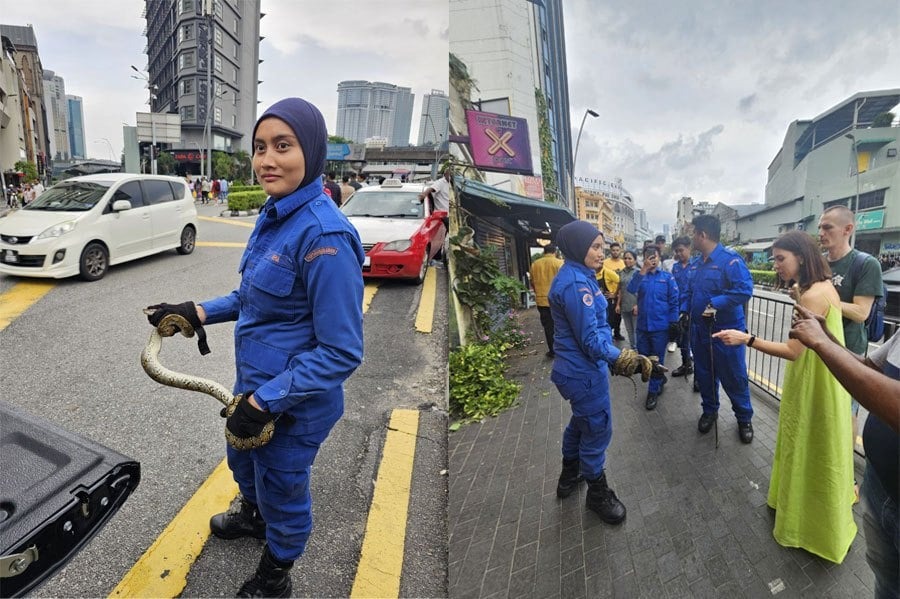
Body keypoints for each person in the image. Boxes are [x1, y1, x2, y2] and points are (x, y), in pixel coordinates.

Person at [144, 97, 365, 598]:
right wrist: (194, 312)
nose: (267, 160)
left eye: (282, 146)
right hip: (255, 386)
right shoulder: (277, 215)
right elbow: (252, 296)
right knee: (242, 461)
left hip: (293, 403)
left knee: (283, 485)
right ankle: (254, 515)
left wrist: (266, 402)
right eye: (261, 147)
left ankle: (276, 572)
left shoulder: (325, 236)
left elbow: (342, 352)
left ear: (310, 150)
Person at [714, 231, 856, 563]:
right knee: (818, 446)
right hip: (823, 378)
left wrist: (746, 338)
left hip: (812, 381)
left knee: (807, 444)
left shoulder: (813, 295)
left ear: (802, 258)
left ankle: (807, 524)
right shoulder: (823, 288)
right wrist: (796, 295)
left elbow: (793, 352)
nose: (775, 265)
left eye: (780, 259)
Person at [548, 220, 663, 524]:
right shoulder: (575, 284)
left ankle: (568, 476)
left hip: (577, 371)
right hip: (583, 373)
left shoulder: (581, 276)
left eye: (602, 246)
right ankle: (597, 494)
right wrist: (628, 359)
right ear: (577, 247)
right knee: (597, 429)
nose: (602, 253)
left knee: (581, 423)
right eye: (596, 247)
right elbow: (590, 340)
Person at [791, 306, 899, 598]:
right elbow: (870, 367)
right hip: (881, 486)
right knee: (887, 579)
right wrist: (828, 338)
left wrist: (823, 344)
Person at [684, 214, 755, 443]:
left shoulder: (730, 261)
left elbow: (744, 290)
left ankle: (744, 418)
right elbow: (689, 292)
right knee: (705, 374)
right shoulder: (696, 264)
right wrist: (684, 312)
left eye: (693, 233)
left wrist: (715, 303)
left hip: (726, 332)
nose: (691, 237)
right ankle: (710, 410)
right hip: (699, 332)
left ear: (702, 235)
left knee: (734, 377)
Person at [817, 205, 884, 449]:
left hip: (849, 351)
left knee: (847, 411)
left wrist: (826, 299)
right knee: (821, 408)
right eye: (820, 228)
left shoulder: (865, 264)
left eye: (827, 227)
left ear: (848, 229)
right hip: (819, 346)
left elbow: (860, 312)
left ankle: (846, 471)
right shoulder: (820, 263)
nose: (821, 233)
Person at [627, 246, 679, 410]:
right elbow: (631, 289)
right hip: (642, 326)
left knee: (656, 360)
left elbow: (674, 301)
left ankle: (653, 391)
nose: (652, 259)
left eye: (655, 256)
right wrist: (642, 270)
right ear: (643, 259)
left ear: (659, 258)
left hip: (660, 327)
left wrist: (673, 322)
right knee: (645, 359)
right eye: (648, 256)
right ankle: (660, 379)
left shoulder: (667, 278)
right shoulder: (639, 276)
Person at [529, 244, 564, 357]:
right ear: (554, 251)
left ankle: (552, 351)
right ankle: (563, 349)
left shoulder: (535, 264)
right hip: (557, 301)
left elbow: (532, 282)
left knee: (548, 327)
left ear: (544, 252)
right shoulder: (560, 263)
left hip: (542, 300)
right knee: (560, 325)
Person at [670, 236, 696, 383]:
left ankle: (698, 373)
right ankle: (686, 365)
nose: (679, 254)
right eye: (677, 251)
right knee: (683, 339)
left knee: (696, 341)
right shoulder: (676, 267)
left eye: (681, 250)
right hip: (680, 309)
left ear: (689, 248)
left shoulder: (697, 265)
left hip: (694, 309)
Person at [615, 250, 639, 350]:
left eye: (630, 258)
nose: (627, 260)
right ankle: (633, 349)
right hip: (624, 305)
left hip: (635, 306)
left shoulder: (638, 272)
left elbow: (642, 290)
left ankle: (639, 350)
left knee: (636, 330)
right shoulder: (621, 272)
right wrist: (618, 304)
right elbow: (620, 289)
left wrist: (638, 305)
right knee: (629, 330)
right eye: (625, 258)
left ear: (635, 260)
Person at [603, 242, 626, 341]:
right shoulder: (605, 262)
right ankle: (607, 334)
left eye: (617, 250)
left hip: (620, 293)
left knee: (618, 315)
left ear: (620, 251)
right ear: (610, 251)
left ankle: (617, 333)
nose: (615, 252)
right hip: (607, 293)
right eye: (613, 250)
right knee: (607, 315)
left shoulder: (623, 263)